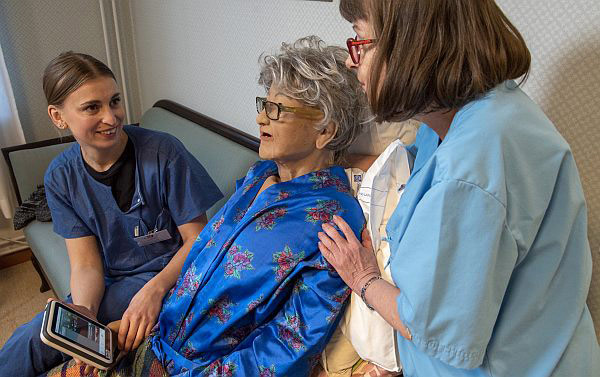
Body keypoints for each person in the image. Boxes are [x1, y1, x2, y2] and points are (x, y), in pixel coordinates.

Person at [46, 36, 368, 377]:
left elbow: (289, 343)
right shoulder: (260, 176)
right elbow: (201, 262)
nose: (260, 119)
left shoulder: (333, 220)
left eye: (277, 110)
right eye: (263, 104)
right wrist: (138, 328)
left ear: (325, 131)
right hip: (156, 339)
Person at [318, 1, 600, 376]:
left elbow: (432, 329)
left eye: (359, 40)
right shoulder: (486, 114)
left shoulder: (469, 170)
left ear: (410, 45)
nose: (352, 61)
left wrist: (363, 278)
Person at [0, 52, 224, 377]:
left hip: (175, 276)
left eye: (114, 101)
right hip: (114, 280)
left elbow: (199, 241)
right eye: (92, 107)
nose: (112, 117)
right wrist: (85, 311)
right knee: (33, 338)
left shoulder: (164, 153)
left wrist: (154, 291)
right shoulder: (61, 177)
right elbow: (86, 264)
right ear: (58, 117)